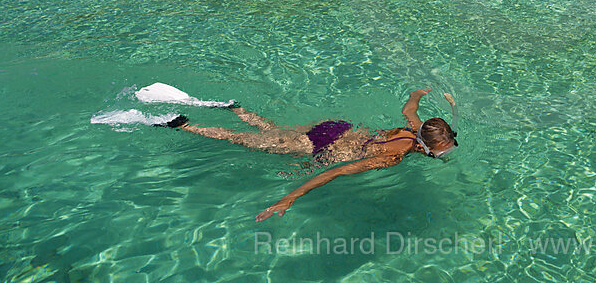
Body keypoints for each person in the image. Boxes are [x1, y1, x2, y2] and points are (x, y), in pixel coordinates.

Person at [157, 89, 457, 221]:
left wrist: (419, 92)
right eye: (438, 152)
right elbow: (335, 172)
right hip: (323, 148)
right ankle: (185, 126)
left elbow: (409, 109)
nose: (440, 155)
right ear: (422, 146)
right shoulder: (393, 158)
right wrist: (290, 198)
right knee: (248, 142)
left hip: (336, 130)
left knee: (273, 133)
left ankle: (236, 108)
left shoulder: (416, 129)